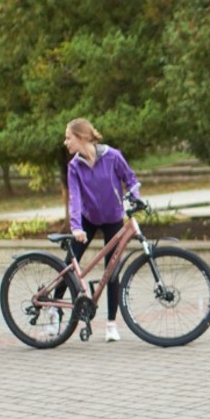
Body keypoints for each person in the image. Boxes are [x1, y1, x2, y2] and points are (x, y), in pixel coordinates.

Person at [63, 118, 140, 342]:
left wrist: (135, 200)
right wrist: (76, 227)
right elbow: (75, 199)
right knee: (69, 263)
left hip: (113, 218)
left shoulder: (113, 157)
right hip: (88, 219)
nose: (65, 142)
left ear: (81, 137)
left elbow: (130, 179)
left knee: (112, 271)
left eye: (68, 137)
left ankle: (111, 324)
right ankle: (54, 312)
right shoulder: (74, 166)